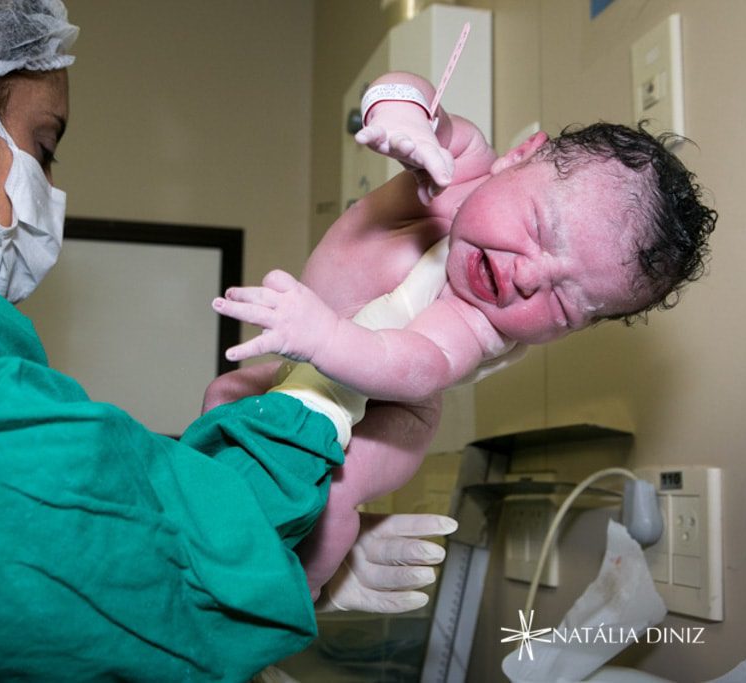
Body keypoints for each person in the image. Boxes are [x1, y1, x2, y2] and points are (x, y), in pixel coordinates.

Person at [0, 3, 457, 682]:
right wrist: (322, 395)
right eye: (42, 147)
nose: (45, 188)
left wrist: (289, 561)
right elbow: (120, 570)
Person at [208, 70, 717, 596]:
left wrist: (323, 339)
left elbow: (413, 364)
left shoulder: (474, 320)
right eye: (541, 228)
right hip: (309, 366)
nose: (529, 277)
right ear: (519, 157)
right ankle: (202, 508)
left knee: (330, 495)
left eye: (564, 304)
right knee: (224, 396)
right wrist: (404, 120)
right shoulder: (461, 167)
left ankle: (289, 603)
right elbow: (415, 94)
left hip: (392, 411)